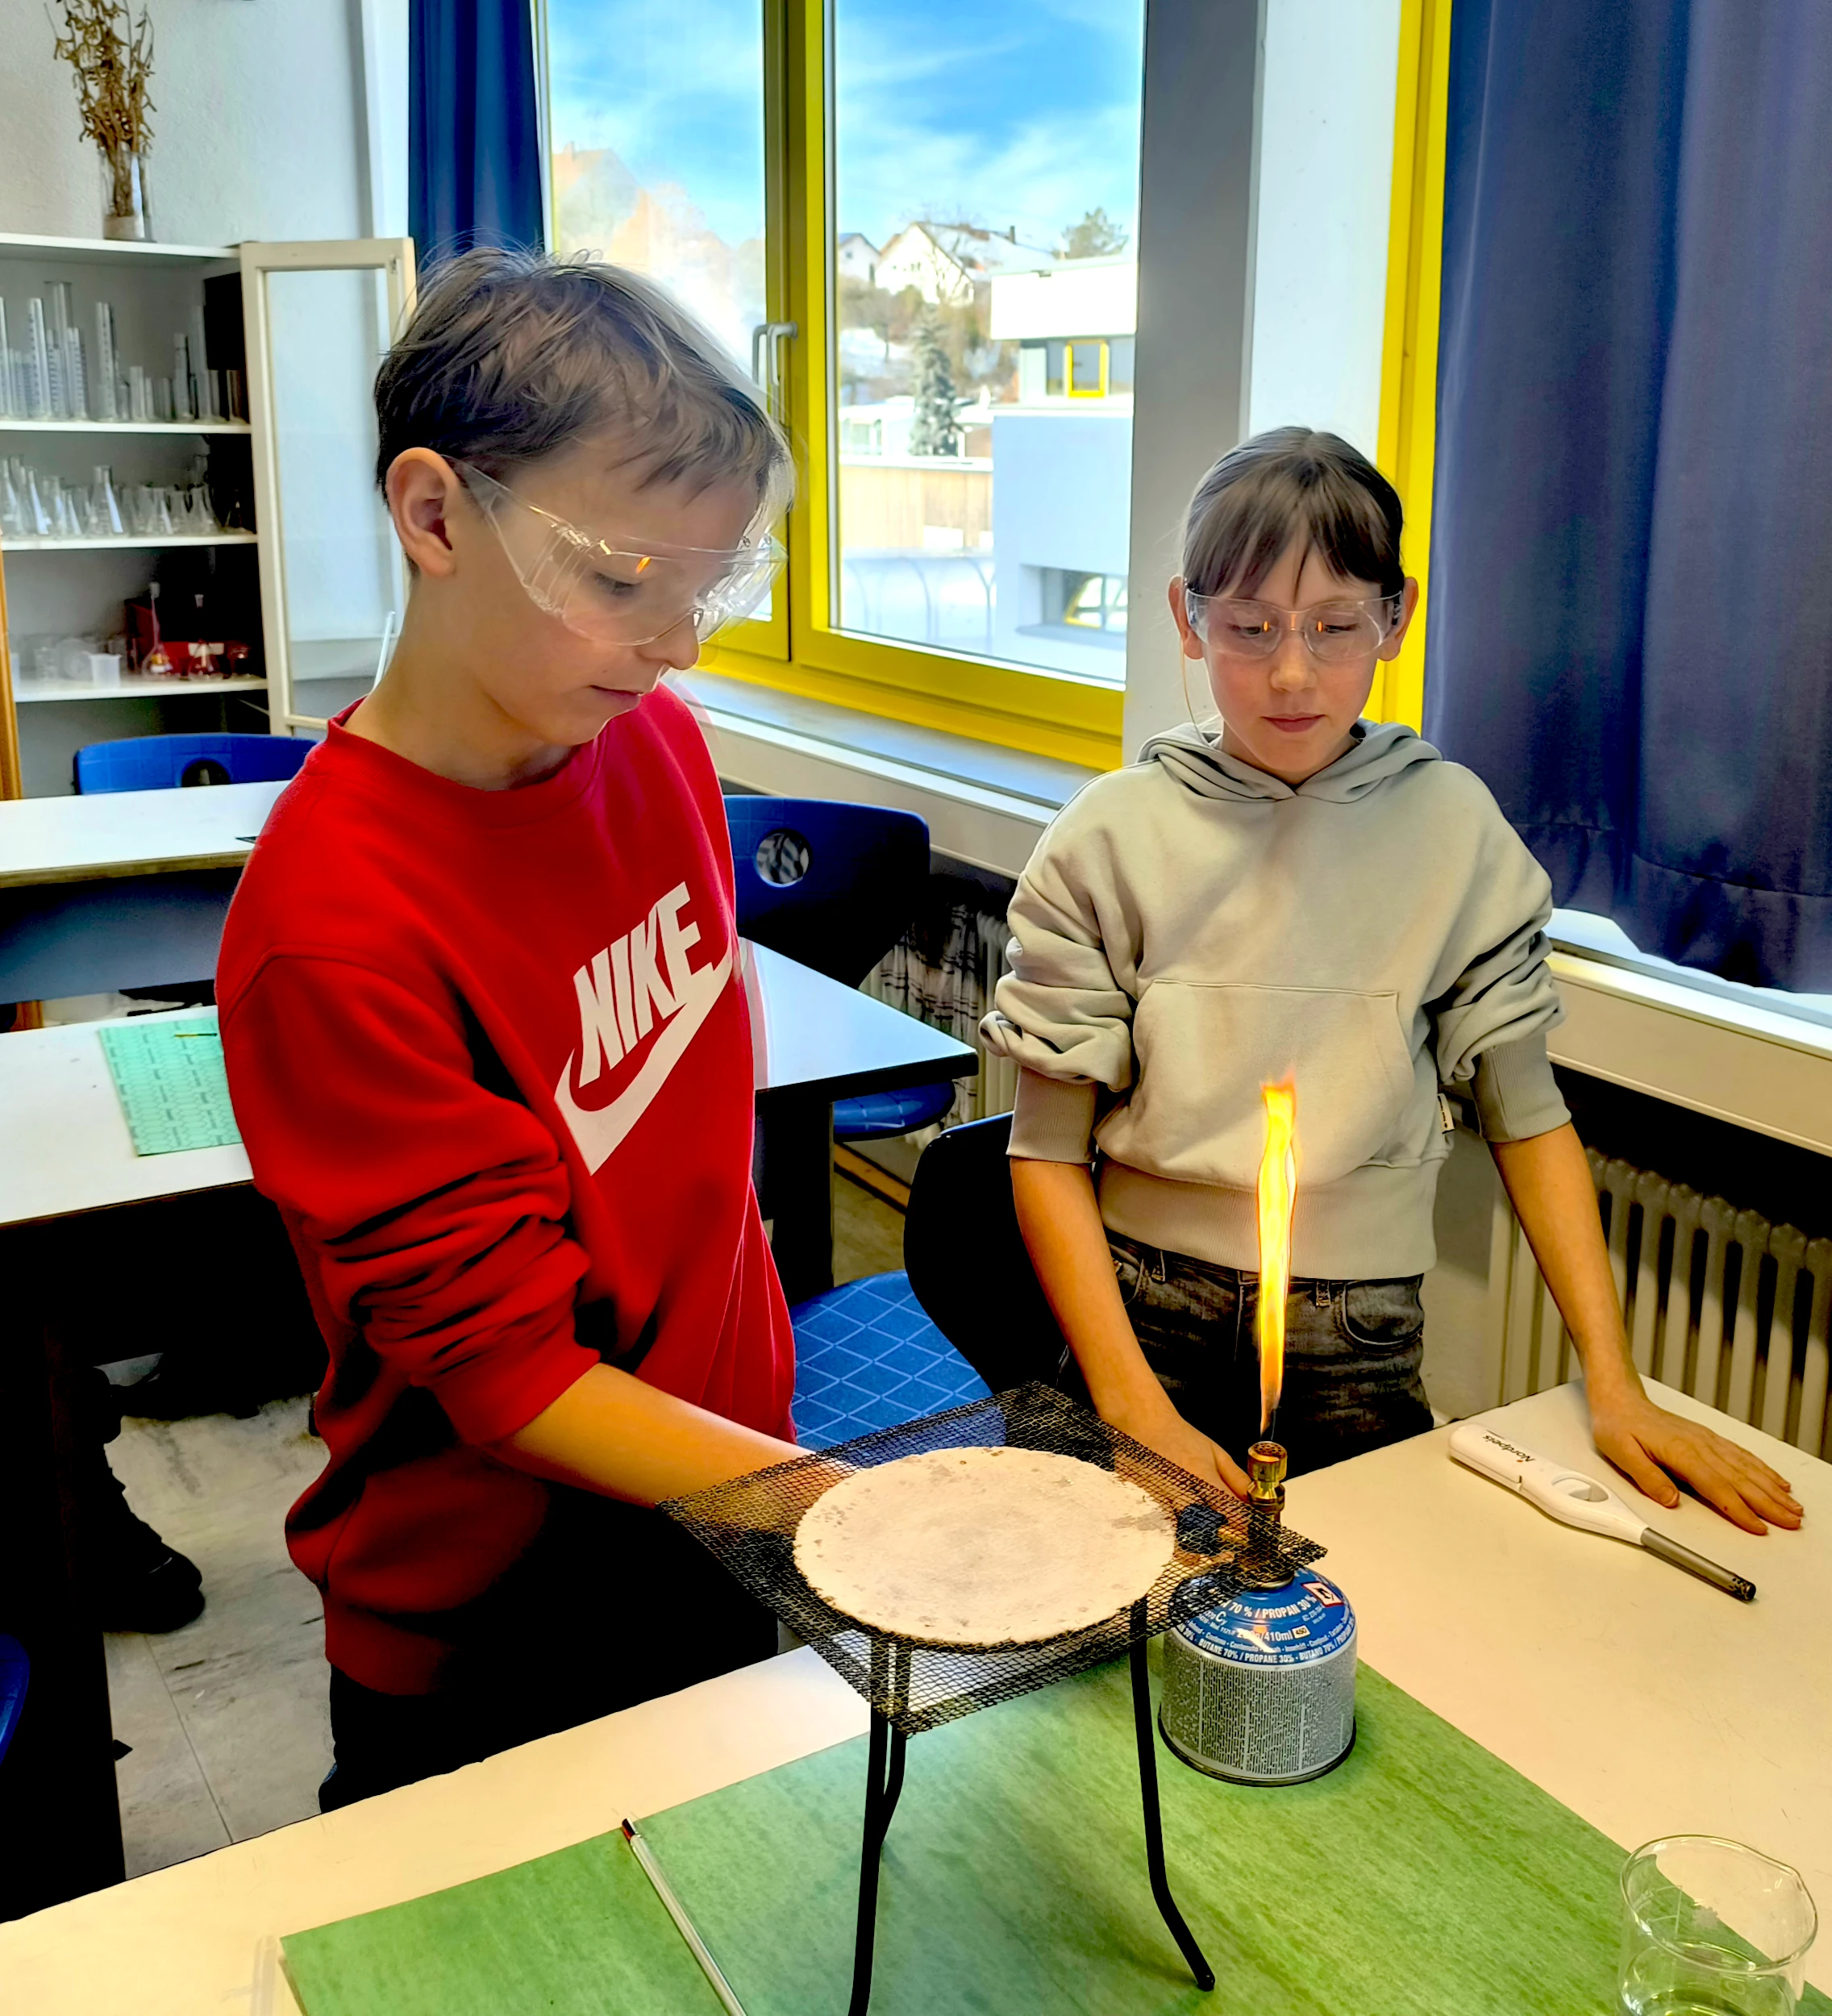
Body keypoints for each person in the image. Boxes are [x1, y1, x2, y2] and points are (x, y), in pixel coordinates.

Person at [218, 249, 806, 1810]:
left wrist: (764, 1478)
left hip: (714, 1499)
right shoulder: (333, 927)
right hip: (501, 1626)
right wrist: (836, 1509)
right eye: (624, 582)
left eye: (706, 586)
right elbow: (514, 1382)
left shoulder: (653, 738)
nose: (678, 641)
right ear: (434, 519)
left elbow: (696, 1144)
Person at [982, 427, 1801, 1536]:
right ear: (1188, 617)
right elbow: (1043, 1150)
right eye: (1249, 628)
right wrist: (1129, 1406)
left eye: (1333, 629)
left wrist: (1614, 1381)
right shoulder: (1108, 836)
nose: (1289, 672)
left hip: (1356, 1335)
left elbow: (1529, 1117)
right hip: (1138, 1316)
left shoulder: (1449, 827)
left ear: (1396, 618)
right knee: (1093, 1627)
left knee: (1362, 1627)